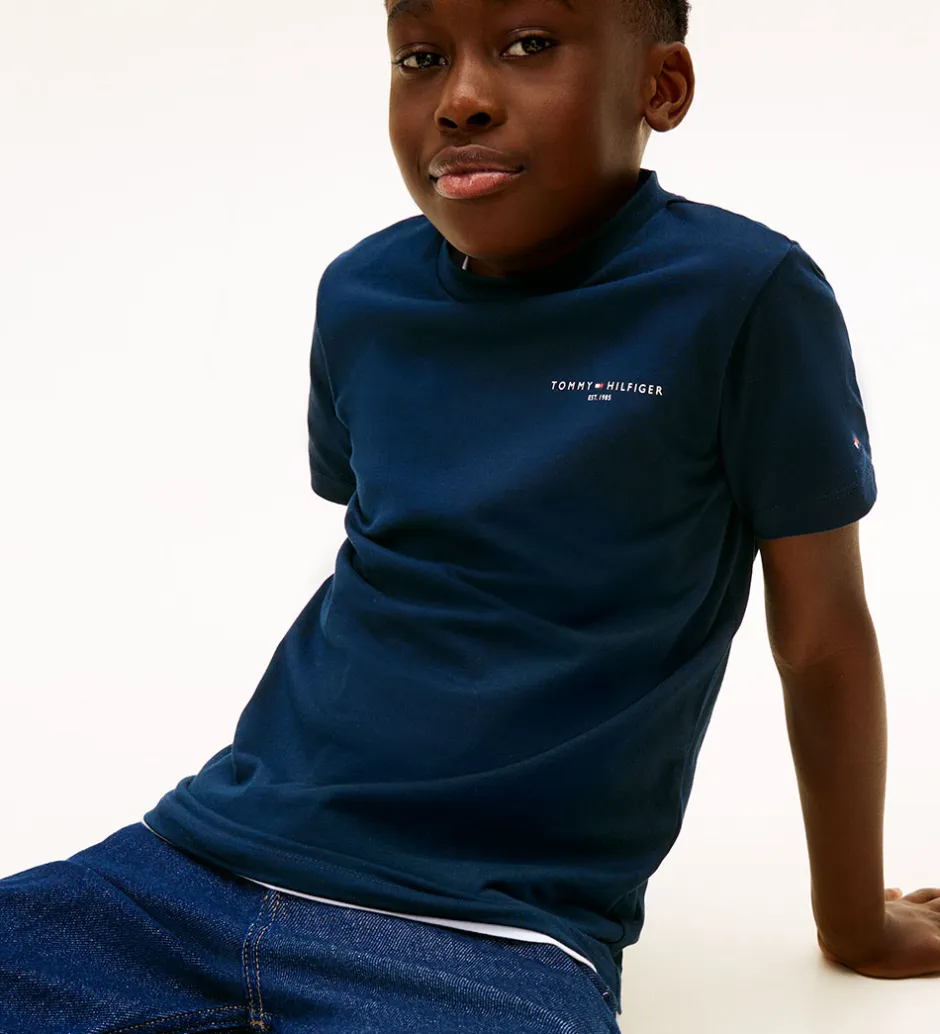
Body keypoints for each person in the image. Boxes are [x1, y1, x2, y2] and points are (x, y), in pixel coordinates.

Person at [3, 0, 939, 1031]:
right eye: (420, 56)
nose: (460, 100)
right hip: (190, 869)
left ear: (660, 87)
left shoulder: (742, 295)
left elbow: (819, 638)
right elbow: (393, 549)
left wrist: (856, 922)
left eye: (529, 45)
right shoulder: (362, 292)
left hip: (487, 937)